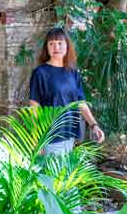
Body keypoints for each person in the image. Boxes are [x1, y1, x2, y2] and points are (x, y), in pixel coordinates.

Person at [28, 26, 104, 155]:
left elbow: (80, 103)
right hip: (50, 136)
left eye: (60, 43)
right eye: (51, 44)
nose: (56, 47)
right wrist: (36, 140)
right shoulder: (40, 73)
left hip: (70, 135)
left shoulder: (73, 72)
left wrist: (94, 125)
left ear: (67, 46)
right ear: (46, 47)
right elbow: (34, 107)